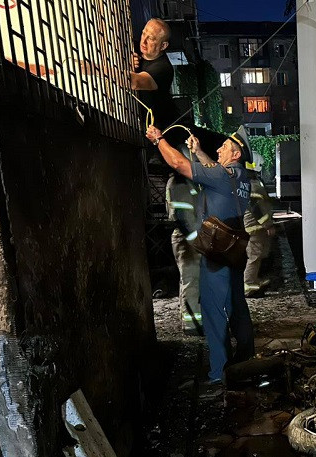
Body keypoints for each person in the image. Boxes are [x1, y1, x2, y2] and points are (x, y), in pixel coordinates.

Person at [146, 124, 255, 384]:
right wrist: (199, 151)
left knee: (213, 311)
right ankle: (246, 358)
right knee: (237, 305)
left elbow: (179, 163)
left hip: (217, 251)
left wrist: (158, 140)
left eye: (224, 147)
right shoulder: (240, 177)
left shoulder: (222, 176)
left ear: (236, 154)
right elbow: (214, 169)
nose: (219, 150)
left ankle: (219, 373)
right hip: (235, 248)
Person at [165, 163, 202, 335]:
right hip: (187, 239)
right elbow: (183, 216)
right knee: (190, 281)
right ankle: (192, 325)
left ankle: (193, 320)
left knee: (191, 281)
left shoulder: (184, 182)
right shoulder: (178, 184)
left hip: (188, 238)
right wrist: (195, 240)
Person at [131, 18, 179, 131]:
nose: (143, 41)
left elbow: (135, 82)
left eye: (151, 39)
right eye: (143, 34)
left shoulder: (164, 68)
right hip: (129, 111)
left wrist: (94, 69)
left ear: (163, 46)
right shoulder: (134, 46)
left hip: (148, 127)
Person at [243, 162, 276, 297]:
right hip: (255, 228)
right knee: (254, 257)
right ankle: (249, 285)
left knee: (256, 255)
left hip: (252, 227)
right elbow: (257, 209)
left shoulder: (245, 185)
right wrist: (268, 224)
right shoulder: (253, 186)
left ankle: (253, 281)